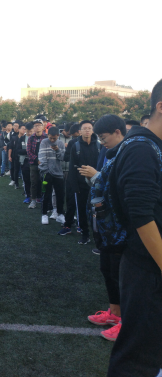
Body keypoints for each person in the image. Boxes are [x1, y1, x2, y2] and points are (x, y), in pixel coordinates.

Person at [107, 81, 162, 376]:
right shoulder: (141, 148)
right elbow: (141, 216)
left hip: (150, 266)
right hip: (147, 269)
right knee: (138, 359)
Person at [77, 115, 126, 340]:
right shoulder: (109, 152)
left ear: (118, 132)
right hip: (105, 224)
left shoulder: (130, 153)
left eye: (104, 138)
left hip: (120, 228)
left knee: (121, 274)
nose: (102, 142)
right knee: (107, 269)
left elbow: (118, 186)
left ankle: (126, 321)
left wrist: (96, 176)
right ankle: (114, 313)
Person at [58, 120, 99, 244]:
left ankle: (98, 236)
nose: (87, 130)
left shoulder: (99, 146)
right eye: (84, 128)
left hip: (96, 183)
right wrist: (75, 186)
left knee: (97, 211)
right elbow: (72, 167)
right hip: (80, 185)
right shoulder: (75, 145)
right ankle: (85, 234)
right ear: (80, 131)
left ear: (92, 130)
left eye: (89, 128)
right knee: (81, 209)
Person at [38, 127, 66, 225]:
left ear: (58, 135)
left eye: (54, 138)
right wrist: (46, 171)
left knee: (60, 195)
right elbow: (42, 158)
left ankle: (60, 214)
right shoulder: (44, 142)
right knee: (46, 194)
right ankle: (44, 214)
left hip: (58, 173)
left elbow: (63, 158)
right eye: (51, 138)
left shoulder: (61, 143)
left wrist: (57, 150)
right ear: (48, 135)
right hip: (46, 173)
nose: (52, 140)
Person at [26, 119, 47, 209]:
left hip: (45, 163)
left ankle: (45, 200)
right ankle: (33, 200)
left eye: (39, 125)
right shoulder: (31, 138)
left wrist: (42, 161)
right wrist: (37, 160)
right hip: (33, 163)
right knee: (34, 182)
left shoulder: (46, 137)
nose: (37, 127)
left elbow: (48, 151)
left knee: (45, 182)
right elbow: (29, 151)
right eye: (35, 126)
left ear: (43, 127)